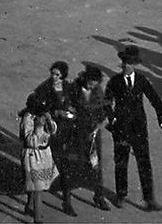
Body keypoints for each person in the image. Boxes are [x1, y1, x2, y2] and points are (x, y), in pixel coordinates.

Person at [104, 45, 162, 212]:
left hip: (139, 128)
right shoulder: (114, 81)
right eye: (124, 63)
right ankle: (121, 195)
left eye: (130, 63)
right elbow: (106, 102)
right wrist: (113, 119)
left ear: (135, 65)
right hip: (120, 128)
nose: (126, 66)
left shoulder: (141, 80)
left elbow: (156, 100)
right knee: (121, 162)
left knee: (144, 163)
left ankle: (149, 199)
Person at [59, 66, 111, 213]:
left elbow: (103, 108)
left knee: (95, 165)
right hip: (75, 133)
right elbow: (65, 108)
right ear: (85, 79)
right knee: (70, 165)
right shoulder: (73, 89)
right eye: (90, 83)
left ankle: (98, 196)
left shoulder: (97, 90)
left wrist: (102, 122)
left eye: (94, 84)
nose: (92, 86)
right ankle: (66, 201)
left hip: (92, 133)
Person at [19, 95, 61, 221]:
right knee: (38, 187)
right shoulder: (28, 118)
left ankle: (29, 205)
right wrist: (38, 127)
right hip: (32, 155)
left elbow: (53, 130)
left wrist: (49, 121)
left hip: (44, 153)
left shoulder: (44, 115)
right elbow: (30, 141)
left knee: (36, 184)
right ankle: (37, 218)